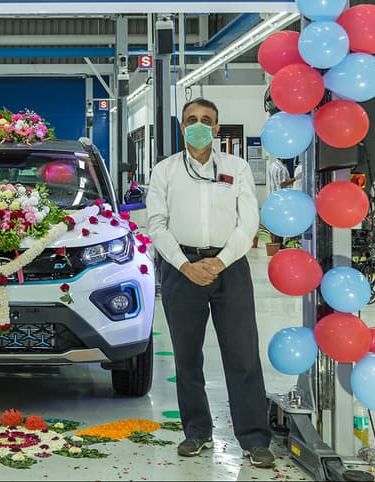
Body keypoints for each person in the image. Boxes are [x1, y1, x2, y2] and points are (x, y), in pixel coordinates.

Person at [146, 98, 274, 469]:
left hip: (229, 268)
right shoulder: (165, 171)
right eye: (192, 120)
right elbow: (157, 224)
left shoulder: (236, 168)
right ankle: (197, 432)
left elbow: (248, 222)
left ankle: (254, 439)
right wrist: (185, 266)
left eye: (206, 120)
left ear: (217, 129)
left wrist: (220, 260)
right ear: (182, 127)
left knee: (242, 355)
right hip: (181, 269)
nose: (199, 125)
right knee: (187, 357)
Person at [267, 158, 296, 246]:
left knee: (276, 221)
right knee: (280, 221)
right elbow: (282, 183)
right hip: (281, 199)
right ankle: (278, 243)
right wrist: (296, 178)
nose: (289, 158)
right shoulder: (280, 168)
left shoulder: (273, 165)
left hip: (275, 198)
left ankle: (276, 243)